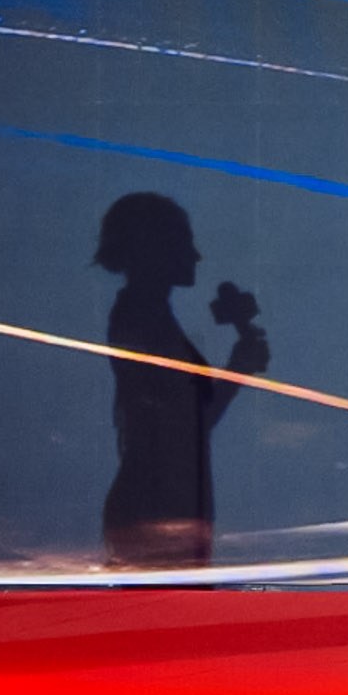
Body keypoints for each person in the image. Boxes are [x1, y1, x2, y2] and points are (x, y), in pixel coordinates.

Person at [93, 192, 264, 568]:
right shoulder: (141, 319)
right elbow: (183, 424)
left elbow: (182, 419)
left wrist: (238, 369)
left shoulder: (146, 316)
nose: (195, 256)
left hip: (166, 507)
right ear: (154, 247)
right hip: (159, 510)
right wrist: (238, 369)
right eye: (184, 243)